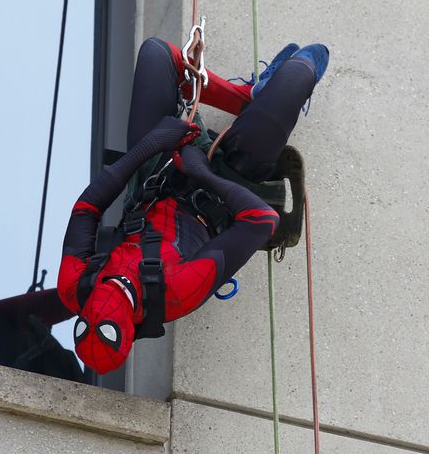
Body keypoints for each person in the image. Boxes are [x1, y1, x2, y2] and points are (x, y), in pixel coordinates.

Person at [57, 38, 329, 374]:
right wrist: (202, 172)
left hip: (155, 172)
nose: (106, 297)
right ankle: (266, 101)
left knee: (158, 54)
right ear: (127, 329)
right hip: (226, 187)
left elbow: (87, 208)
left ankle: (248, 97)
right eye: (108, 326)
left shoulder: (76, 287)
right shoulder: (178, 293)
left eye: (87, 320)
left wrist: (148, 147)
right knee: (304, 68)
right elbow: (261, 220)